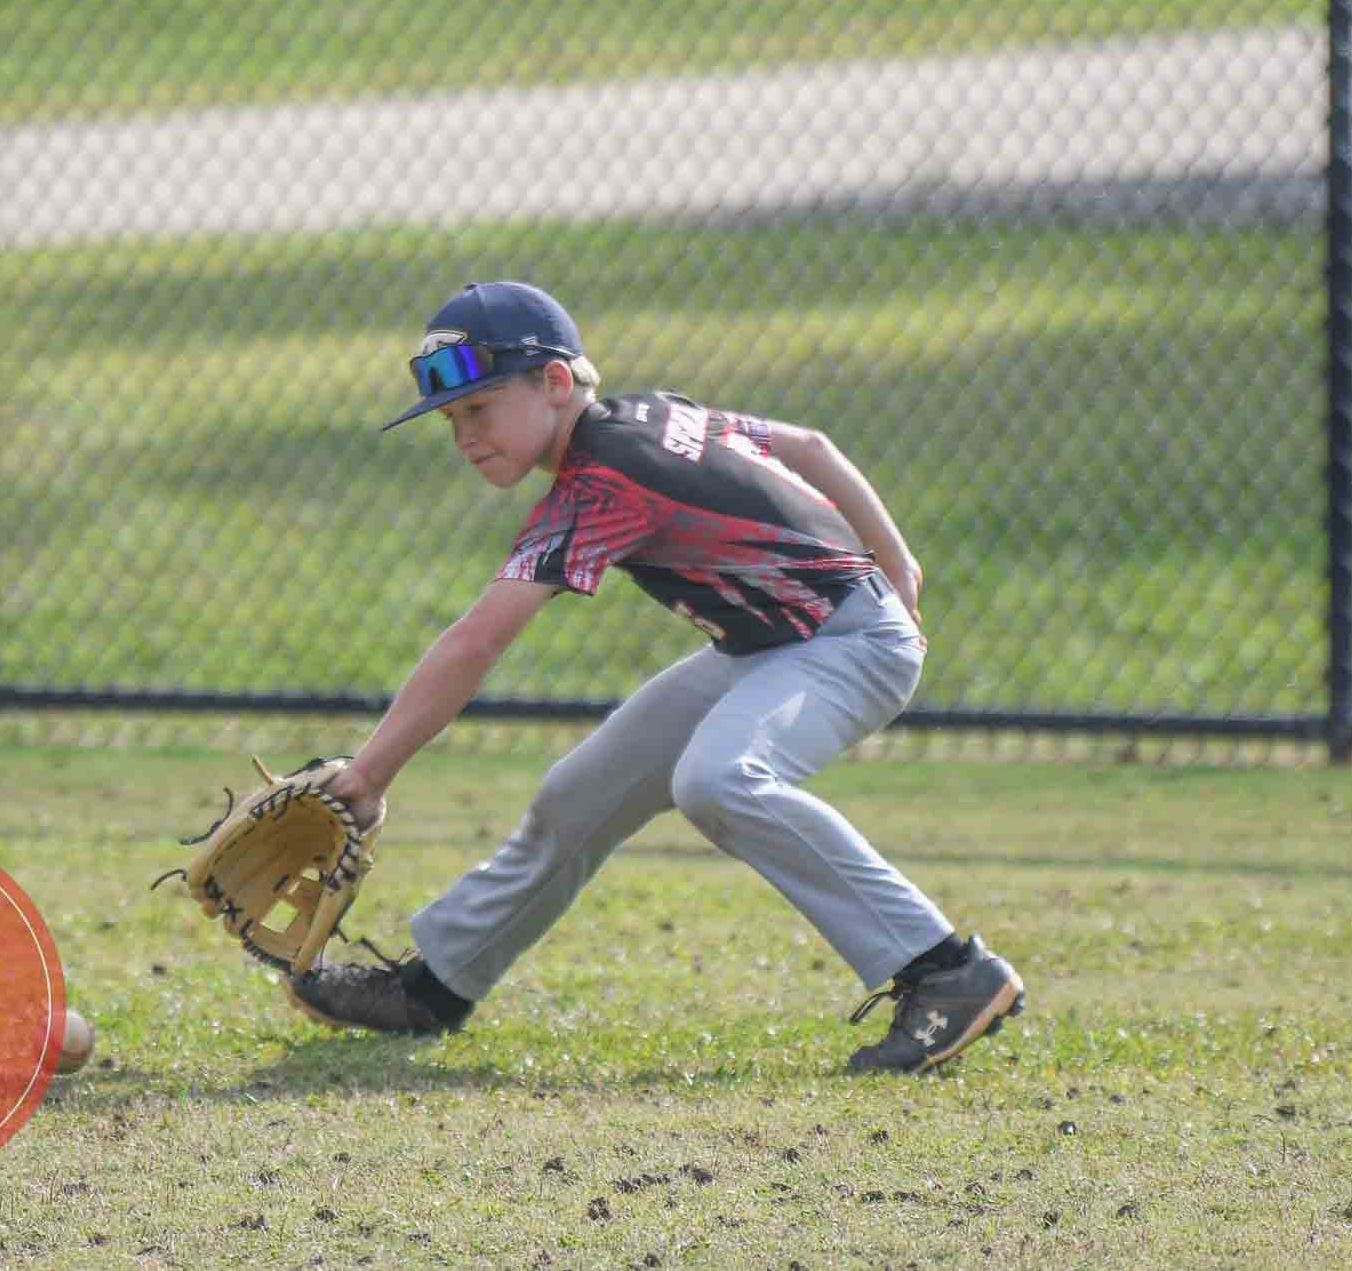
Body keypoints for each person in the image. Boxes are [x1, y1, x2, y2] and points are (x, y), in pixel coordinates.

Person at [294, 280, 1024, 1074]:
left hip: (849, 643)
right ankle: (435, 986)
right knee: (578, 794)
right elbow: (809, 445)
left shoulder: (605, 482)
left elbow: (476, 640)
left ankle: (945, 970)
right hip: (768, 647)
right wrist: (899, 559)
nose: (464, 434)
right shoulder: (652, 414)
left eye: (479, 407)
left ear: (555, 383)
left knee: (720, 778)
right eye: (451, 418)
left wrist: (369, 775)